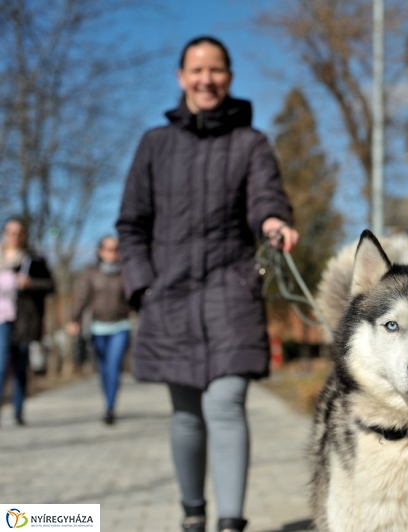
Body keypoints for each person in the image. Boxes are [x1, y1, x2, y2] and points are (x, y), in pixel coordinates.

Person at [116, 36, 298, 532]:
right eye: (196, 70)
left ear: (229, 77)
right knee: (186, 413)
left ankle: (231, 523)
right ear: (181, 78)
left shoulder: (251, 143)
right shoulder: (155, 144)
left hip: (231, 291)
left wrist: (274, 223)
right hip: (169, 295)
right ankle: (192, 514)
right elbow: (131, 223)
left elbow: (267, 198)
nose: (206, 79)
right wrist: (142, 287)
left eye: (216, 70)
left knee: (225, 402)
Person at [66, 235, 131, 425]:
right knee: (103, 369)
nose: (113, 253)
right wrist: (74, 319)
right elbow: (81, 297)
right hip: (98, 328)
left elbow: (134, 298)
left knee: (114, 366)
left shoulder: (125, 272)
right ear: (100, 251)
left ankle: (110, 408)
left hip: (121, 325)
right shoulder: (91, 273)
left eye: (116, 249)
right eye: (109, 249)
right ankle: (107, 400)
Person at [0, 217, 55, 427]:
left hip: (24, 320)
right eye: (10, 232)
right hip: (2, 320)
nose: (14, 236)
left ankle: (18, 410)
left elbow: (50, 285)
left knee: (20, 366)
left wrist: (30, 283)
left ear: (24, 235)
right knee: (2, 363)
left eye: (19, 232)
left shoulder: (34, 260)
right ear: (5, 233)